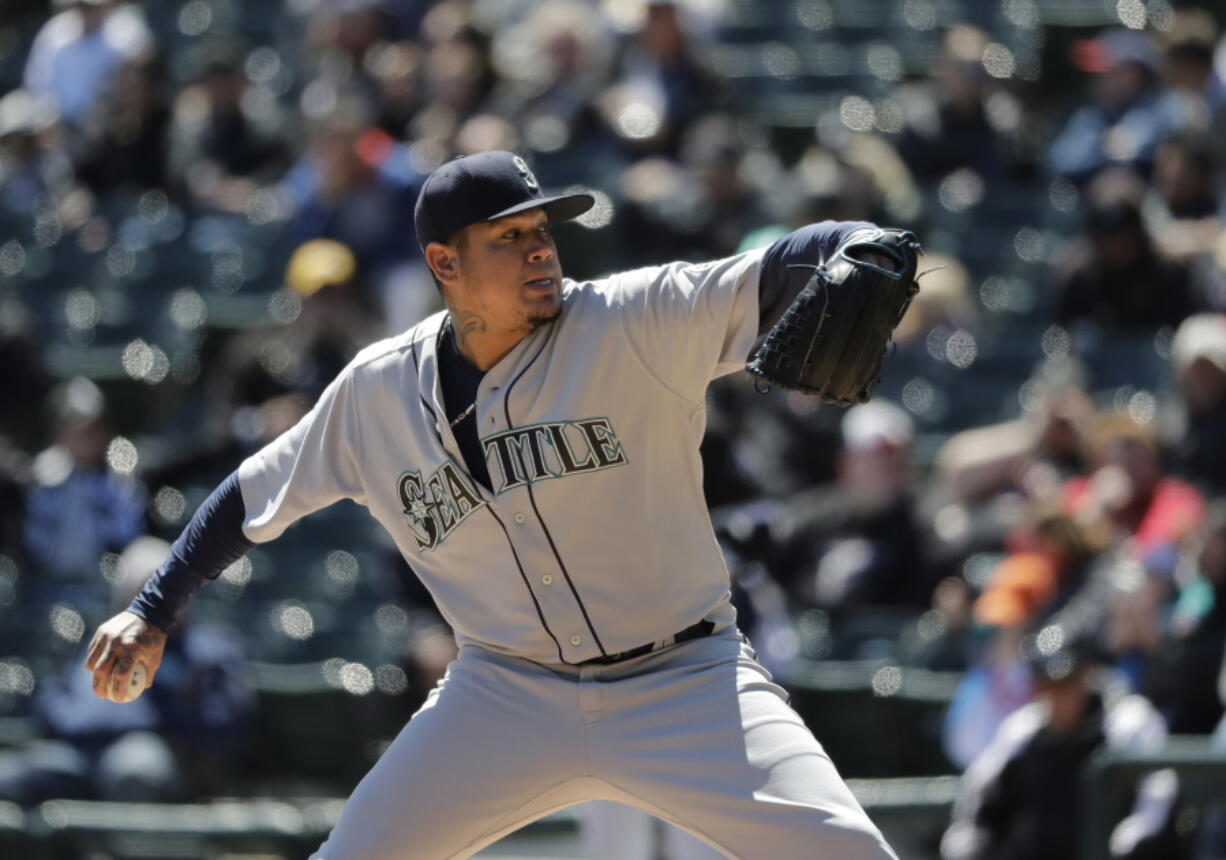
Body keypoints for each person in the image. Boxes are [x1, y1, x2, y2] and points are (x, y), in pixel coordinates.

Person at [84, 150, 899, 858]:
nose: (539, 250)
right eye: (509, 238)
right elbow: (250, 496)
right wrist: (153, 611)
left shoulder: (632, 321)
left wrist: (851, 244)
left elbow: (776, 267)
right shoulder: (375, 392)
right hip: (507, 693)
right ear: (445, 265)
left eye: (542, 230)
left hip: (684, 678)